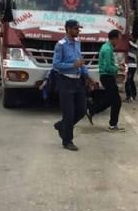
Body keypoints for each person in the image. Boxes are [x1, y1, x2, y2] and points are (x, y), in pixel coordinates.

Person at [53, 20, 95, 151]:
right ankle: (67, 141)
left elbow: (80, 61)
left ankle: (62, 126)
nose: (78, 31)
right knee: (68, 113)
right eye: (76, 29)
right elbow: (56, 64)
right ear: (68, 29)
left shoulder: (77, 43)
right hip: (65, 81)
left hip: (78, 81)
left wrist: (87, 76)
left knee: (82, 110)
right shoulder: (61, 45)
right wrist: (72, 65)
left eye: (78, 28)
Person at [89, 30, 125, 130]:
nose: (119, 41)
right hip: (107, 76)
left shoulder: (106, 47)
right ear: (114, 38)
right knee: (116, 101)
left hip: (106, 76)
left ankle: (92, 110)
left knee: (110, 99)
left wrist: (116, 67)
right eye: (118, 39)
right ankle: (113, 124)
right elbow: (108, 67)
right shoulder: (108, 49)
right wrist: (118, 68)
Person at [124, 35, 138, 102]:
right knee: (131, 80)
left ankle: (129, 96)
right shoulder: (135, 45)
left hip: (130, 65)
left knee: (127, 80)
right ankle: (133, 94)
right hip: (133, 65)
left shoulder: (131, 44)